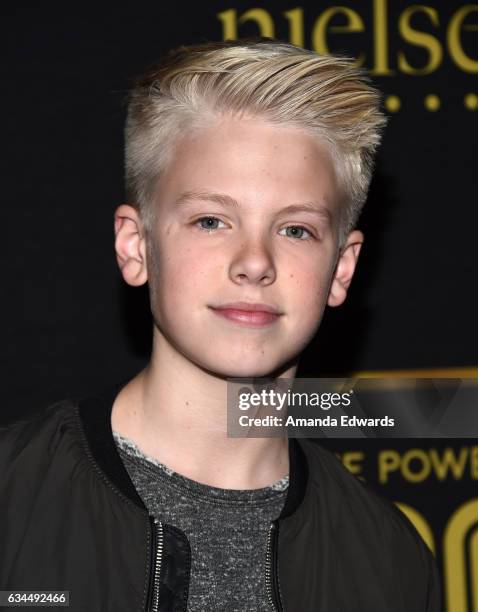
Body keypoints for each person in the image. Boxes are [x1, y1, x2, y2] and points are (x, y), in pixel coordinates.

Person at [0, 39, 441, 611]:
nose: (254, 262)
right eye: (212, 220)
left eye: (296, 230)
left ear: (342, 269)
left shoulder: (391, 563)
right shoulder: (12, 501)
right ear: (136, 247)